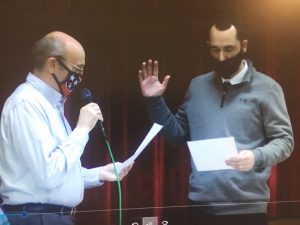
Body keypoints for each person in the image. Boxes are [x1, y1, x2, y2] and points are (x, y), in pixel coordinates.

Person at [138, 19, 294, 225]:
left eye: (229, 49)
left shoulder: (268, 88)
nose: (221, 57)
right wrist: (154, 101)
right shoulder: (198, 86)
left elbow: (285, 141)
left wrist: (256, 157)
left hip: (247, 210)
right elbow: (176, 136)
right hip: (200, 206)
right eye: (215, 50)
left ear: (244, 46)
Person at [0, 31, 132, 225]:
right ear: (52, 64)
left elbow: (53, 171)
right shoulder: (25, 103)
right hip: (35, 217)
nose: (79, 77)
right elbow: (49, 174)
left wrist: (99, 174)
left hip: (53, 216)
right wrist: (82, 129)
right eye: (77, 69)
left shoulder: (51, 105)